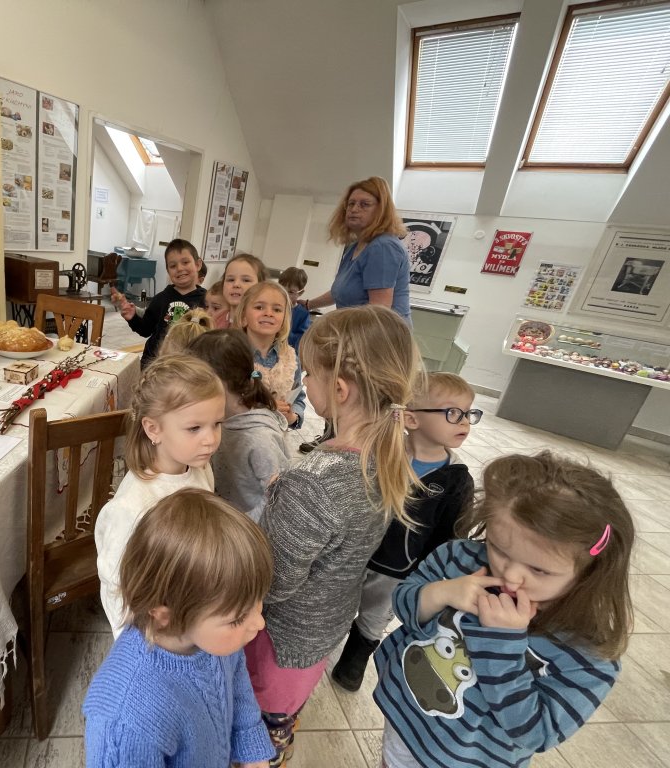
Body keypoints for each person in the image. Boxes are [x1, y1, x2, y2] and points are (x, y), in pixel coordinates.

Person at [373, 451, 635, 768]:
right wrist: (441, 593)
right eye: (498, 548)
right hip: (404, 717)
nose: (510, 576)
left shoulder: (589, 653)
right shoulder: (460, 558)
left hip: (469, 760)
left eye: (539, 570)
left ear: (590, 571)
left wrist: (502, 644)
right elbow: (403, 602)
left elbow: (536, 733)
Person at [244, 305, 421, 767]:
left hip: (278, 642)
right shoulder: (386, 459)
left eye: (309, 374)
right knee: (284, 720)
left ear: (339, 389)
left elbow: (274, 583)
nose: (304, 382)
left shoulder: (313, 483)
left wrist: (278, 505)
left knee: (258, 734)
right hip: (324, 629)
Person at [83, 488, 276, 768]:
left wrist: (251, 748)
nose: (259, 623)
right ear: (167, 616)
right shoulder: (125, 720)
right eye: (237, 619)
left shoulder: (215, 639)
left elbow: (236, 680)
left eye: (258, 602)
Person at [330, 372, 477, 692]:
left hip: (398, 568)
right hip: (354, 552)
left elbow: (449, 537)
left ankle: (356, 655)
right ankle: (327, 638)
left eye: (468, 414)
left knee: (376, 614)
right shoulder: (382, 453)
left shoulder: (456, 480)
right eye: (453, 413)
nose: (464, 422)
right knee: (337, 599)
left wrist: (429, 574)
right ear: (411, 418)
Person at [95, 355, 225, 636]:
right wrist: (137, 642)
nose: (211, 439)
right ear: (153, 429)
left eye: (217, 423)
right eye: (195, 428)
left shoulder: (200, 468)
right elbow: (116, 585)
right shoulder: (134, 507)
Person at [189, 329, 290, 521]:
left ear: (220, 383)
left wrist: (239, 526)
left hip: (245, 531)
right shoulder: (217, 420)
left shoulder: (260, 440)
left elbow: (280, 500)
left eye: (197, 384)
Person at [301, 176, 411, 323]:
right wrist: (308, 305)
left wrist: (329, 323)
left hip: (379, 333)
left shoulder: (383, 247)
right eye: (351, 204)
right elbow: (340, 292)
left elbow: (378, 312)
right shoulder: (355, 248)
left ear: (381, 210)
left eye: (364, 204)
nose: (354, 209)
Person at [112, 238, 207, 367]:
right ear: (168, 271)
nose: (179, 268)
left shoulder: (208, 301)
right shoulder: (160, 299)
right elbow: (145, 330)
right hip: (154, 364)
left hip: (189, 367)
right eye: (173, 266)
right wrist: (132, 317)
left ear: (198, 264)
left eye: (185, 262)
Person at [237, 281, 306, 430]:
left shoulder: (291, 359)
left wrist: (293, 417)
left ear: (284, 319)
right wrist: (264, 408)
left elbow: (298, 398)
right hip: (238, 437)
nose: (269, 313)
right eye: (259, 307)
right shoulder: (231, 354)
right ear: (243, 316)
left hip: (276, 437)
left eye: (277, 309)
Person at [222, 253, 268, 325]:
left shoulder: (262, 324)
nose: (236, 284)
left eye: (246, 280)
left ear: (261, 286)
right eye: (231, 280)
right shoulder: (214, 319)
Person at [278, 266, 311, 356]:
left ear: (300, 293)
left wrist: (282, 332)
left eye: (291, 292)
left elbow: (301, 341)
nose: (285, 294)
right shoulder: (272, 308)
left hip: (288, 355)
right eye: (282, 289)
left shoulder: (303, 314)